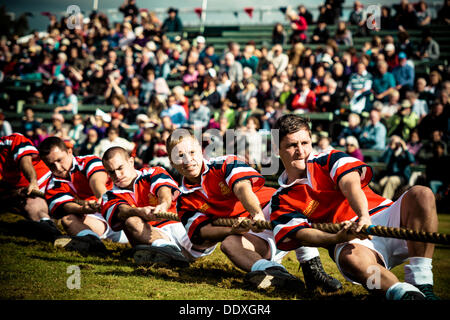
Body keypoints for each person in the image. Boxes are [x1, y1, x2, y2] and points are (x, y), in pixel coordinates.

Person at [270, 114, 440, 300]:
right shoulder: (280, 199)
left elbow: (350, 182)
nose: (301, 151)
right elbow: (301, 234)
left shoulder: (327, 158)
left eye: (305, 143)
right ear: (277, 149)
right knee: (351, 260)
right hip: (349, 240)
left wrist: (363, 216)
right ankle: (400, 293)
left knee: (422, 194)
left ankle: (422, 283)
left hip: (382, 216)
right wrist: (336, 237)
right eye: (292, 145)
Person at [166, 129, 342, 291]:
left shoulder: (225, 162)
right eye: (180, 156)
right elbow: (202, 231)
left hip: (269, 212)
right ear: (172, 162)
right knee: (228, 244)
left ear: (200, 150)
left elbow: (242, 187)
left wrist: (256, 213)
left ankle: (313, 270)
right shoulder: (184, 200)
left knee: (282, 206)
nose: (188, 160)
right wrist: (233, 230)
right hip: (254, 236)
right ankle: (276, 273)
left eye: (191, 153)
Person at [101, 147, 204, 265]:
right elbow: (121, 211)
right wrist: (139, 212)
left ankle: (171, 253)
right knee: (130, 221)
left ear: (131, 162)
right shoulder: (108, 195)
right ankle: (168, 250)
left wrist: (164, 205)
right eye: (111, 172)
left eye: (120, 168)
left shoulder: (153, 172)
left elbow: (164, 189)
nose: (117, 175)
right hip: (151, 235)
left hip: (179, 227)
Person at [39, 136, 128, 254]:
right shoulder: (52, 185)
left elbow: (97, 181)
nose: (58, 168)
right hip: (96, 221)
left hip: (117, 213)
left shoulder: (89, 161)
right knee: (67, 220)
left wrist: (102, 198)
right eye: (51, 165)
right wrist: (82, 209)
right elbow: (65, 206)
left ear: (69, 152)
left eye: (60, 160)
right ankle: (94, 244)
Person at [0, 133, 58, 241]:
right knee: (30, 203)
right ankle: (47, 225)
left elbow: (25, 161)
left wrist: (32, 181)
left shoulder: (11, 140)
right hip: (24, 196)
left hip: (47, 181)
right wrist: (16, 194)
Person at [379, 135, 415, 200]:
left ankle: (384, 204)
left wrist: (405, 148)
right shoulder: (390, 152)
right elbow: (385, 161)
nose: (396, 145)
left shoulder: (404, 152)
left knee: (391, 181)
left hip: (402, 176)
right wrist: (390, 148)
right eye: (393, 142)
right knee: (381, 183)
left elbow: (411, 160)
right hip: (390, 175)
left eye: (397, 143)